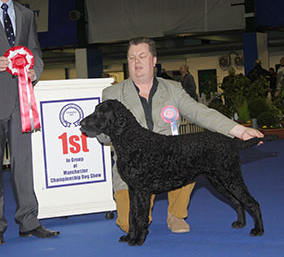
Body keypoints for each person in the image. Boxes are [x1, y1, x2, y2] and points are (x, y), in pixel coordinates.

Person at [99, 37, 264, 234]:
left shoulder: (173, 89)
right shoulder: (112, 93)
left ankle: (176, 215)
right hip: (134, 170)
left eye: (142, 56)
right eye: (131, 57)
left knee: (188, 156)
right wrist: (108, 132)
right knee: (128, 224)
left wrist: (238, 130)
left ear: (153, 61)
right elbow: (103, 136)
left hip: (170, 160)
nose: (136, 62)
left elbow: (199, 112)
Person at [0, 0, 59, 246]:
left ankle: (29, 221)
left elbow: (37, 53)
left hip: (22, 102)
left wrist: (33, 71)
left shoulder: (27, 15)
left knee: (24, 165)